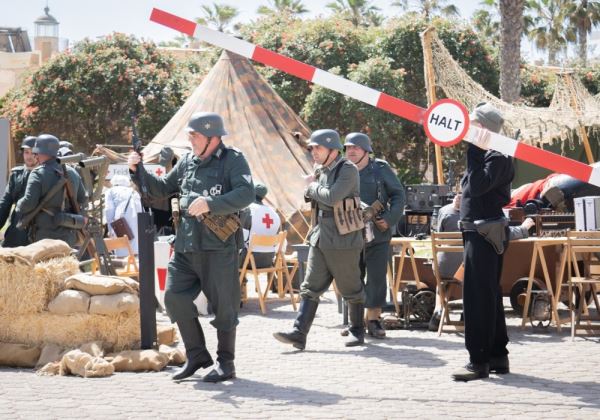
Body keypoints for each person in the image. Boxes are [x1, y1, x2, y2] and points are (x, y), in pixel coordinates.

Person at [127, 112, 254, 382]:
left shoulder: (233, 159)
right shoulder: (187, 161)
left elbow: (246, 194)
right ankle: (197, 355)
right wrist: (138, 171)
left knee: (224, 308)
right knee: (174, 298)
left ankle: (226, 363)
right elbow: (160, 189)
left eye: (194, 135)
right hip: (186, 245)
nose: (190, 139)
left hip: (218, 247)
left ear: (212, 137)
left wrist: (211, 204)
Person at [273, 129, 366, 349]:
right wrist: (313, 188)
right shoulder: (321, 169)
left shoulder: (348, 170)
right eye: (312, 148)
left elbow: (332, 197)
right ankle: (299, 333)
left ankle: (357, 330)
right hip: (321, 235)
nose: (313, 151)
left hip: (343, 238)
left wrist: (311, 186)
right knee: (310, 286)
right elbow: (314, 197)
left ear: (333, 150)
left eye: (318, 148)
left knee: (350, 287)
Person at [452, 102, 515, 382]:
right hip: (478, 230)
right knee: (487, 295)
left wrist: (475, 149)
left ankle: (478, 361)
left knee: (478, 297)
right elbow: (475, 190)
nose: (468, 129)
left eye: (473, 124)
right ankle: (497, 356)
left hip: (484, 232)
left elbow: (478, 186)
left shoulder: (496, 155)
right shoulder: (492, 155)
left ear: (484, 128)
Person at [344, 133, 405, 338]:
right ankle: (356, 322)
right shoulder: (342, 169)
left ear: (366, 151)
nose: (351, 151)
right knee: (353, 278)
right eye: (348, 147)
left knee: (377, 277)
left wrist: (389, 218)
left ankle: (374, 319)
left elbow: (398, 194)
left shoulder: (380, 168)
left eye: (356, 148)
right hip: (350, 233)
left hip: (378, 232)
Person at [15, 134, 88, 248]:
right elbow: (83, 199)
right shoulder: (72, 172)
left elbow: (29, 203)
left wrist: (18, 205)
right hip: (69, 234)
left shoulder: (37, 173)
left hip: (45, 236)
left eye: (36, 153)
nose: (35, 156)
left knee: (45, 266)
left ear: (42, 153)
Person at [0, 136, 38, 247]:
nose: (29, 156)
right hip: (17, 228)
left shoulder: (46, 174)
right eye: (26, 152)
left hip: (39, 229)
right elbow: (5, 204)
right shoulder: (17, 174)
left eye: (33, 153)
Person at [240, 182, 281, 269]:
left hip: (250, 260)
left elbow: (242, 238)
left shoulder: (248, 210)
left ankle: (241, 281)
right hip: (269, 260)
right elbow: (276, 241)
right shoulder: (274, 213)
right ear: (263, 196)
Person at [104, 174, 143, 256]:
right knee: (134, 248)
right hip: (136, 223)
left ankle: (123, 264)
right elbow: (140, 210)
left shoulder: (111, 191)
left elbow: (109, 211)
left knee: (121, 246)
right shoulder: (134, 192)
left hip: (120, 222)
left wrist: (110, 229)